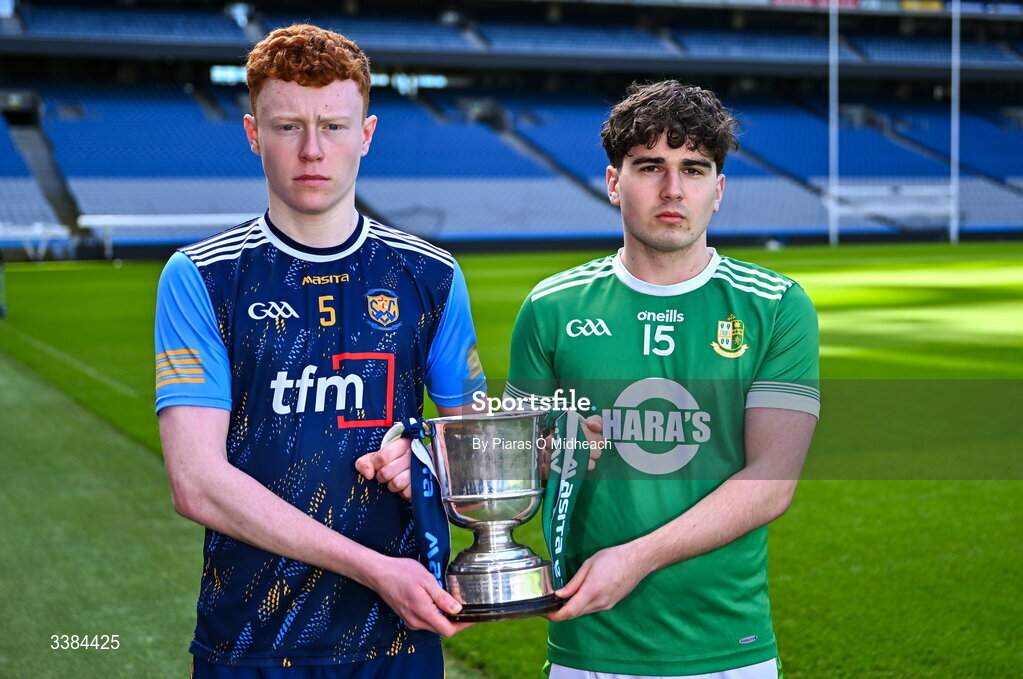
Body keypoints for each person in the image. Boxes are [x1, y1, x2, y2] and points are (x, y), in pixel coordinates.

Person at [155, 24, 485, 678]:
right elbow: (195, 483)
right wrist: (373, 568)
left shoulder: (431, 275)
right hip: (248, 640)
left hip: (394, 640)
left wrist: (425, 454)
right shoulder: (203, 276)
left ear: (366, 134)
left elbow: (477, 448)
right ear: (253, 134)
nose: (312, 149)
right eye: (287, 127)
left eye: (334, 126)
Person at [503, 81, 820, 679]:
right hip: (589, 648)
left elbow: (771, 483)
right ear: (614, 181)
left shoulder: (776, 306)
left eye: (694, 169)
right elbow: (515, 463)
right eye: (650, 166)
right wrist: (550, 453)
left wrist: (637, 559)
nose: (673, 189)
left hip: (729, 647)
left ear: (718, 190)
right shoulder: (551, 307)